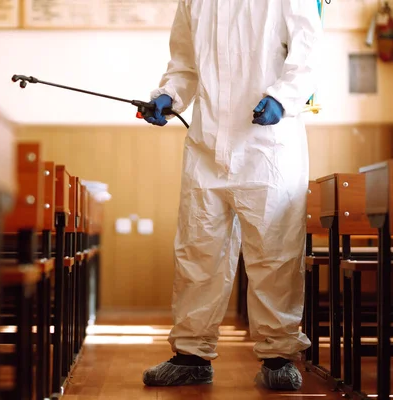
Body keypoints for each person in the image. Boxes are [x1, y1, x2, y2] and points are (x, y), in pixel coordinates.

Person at [142, 0, 323, 391]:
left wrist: (282, 97)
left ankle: (277, 357)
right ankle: (191, 356)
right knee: (197, 251)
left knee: (274, 254)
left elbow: (308, 56)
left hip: (268, 148)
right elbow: (185, 65)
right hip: (207, 146)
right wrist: (169, 98)